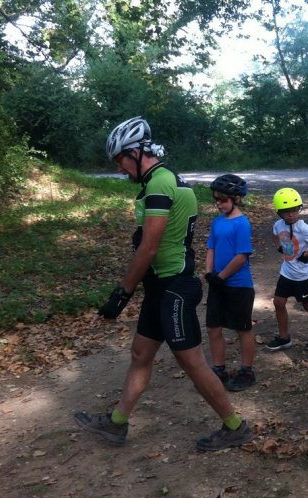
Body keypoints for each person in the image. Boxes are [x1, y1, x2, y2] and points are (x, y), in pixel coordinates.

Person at [74, 117, 253, 452]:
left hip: (175, 286)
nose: (120, 170)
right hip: (160, 286)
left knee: (192, 362)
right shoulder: (161, 180)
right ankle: (116, 424)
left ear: (137, 152)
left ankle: (235, 426)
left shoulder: (160, 182)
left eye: (120, 161)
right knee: (141, 352)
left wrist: (122, 292)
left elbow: (150, 246)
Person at [204, 174, 257, 392]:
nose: (219, 203)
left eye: (223, 200)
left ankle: (246, 371)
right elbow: (211, 248)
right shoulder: (217, 222)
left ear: (235, 199)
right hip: (218, 284)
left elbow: (241, 256)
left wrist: (222, 276)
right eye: (216, 199)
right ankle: (219, 369)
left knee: (242, 328)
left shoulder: (242, 224)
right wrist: (209, 272)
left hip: (238, 285)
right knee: (213, 327)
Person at [266, 187, 308, 351]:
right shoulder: (278, 224)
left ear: (299, 209)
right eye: (286, 211)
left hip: (304, 275)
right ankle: (284, 337)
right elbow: (274, 234)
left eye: (294, 210)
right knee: (278, 302)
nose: (291, 214)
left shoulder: (303, 227)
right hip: (287, 272)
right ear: (279, 212)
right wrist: (278, 247)